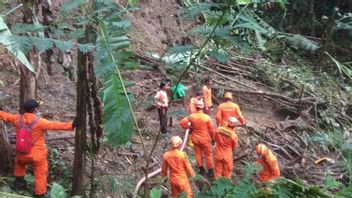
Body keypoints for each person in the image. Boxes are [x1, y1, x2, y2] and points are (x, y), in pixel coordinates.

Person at [0, 99, 76, 198]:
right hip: (37, 155)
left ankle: (18, 183)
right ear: (35, 109)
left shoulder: (17, 118)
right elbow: (55, 125)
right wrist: (72, 124)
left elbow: (5, 116)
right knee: (41, 172)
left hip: (22, 152)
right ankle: (40, 193)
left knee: (19, 163)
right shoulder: (40, 122)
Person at [179, 100, 215, 178]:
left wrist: (190, 128)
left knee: (198, 154)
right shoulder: (207, 117)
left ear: (196, 107)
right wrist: (213, 139)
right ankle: (210, 171)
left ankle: (201, 169)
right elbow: (211, 130)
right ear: (203, 108)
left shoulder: (192, 116)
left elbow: (182, 123)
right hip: (205, 139)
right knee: (208, 155)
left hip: (195, 138)